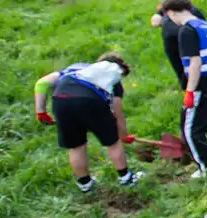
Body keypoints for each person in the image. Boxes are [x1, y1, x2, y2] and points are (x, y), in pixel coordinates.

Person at [33, 53, 144, 193]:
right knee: (113, 143)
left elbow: (42, 84)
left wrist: (41, 112)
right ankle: (126, 179)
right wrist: (123, 135)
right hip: (89, 100)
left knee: (76, 146)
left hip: (61, 100)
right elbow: (118, 114)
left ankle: (85, 184)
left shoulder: (74, 69)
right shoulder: (113, 79)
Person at [161, 0, 207, 178]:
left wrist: (190, 91)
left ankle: (206, 165)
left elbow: (195, 62)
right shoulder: (206, 25)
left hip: (202, 83)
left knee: (190, 128)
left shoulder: (187, 30)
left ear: (171, 13)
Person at [150, 0, 207, 88]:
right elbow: (155, 22)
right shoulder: (167, 9)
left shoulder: (193, 11)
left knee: (194, 64)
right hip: (171, 42)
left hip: (187, 40)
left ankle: (197, 86)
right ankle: (188, 88)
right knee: (180, 68)